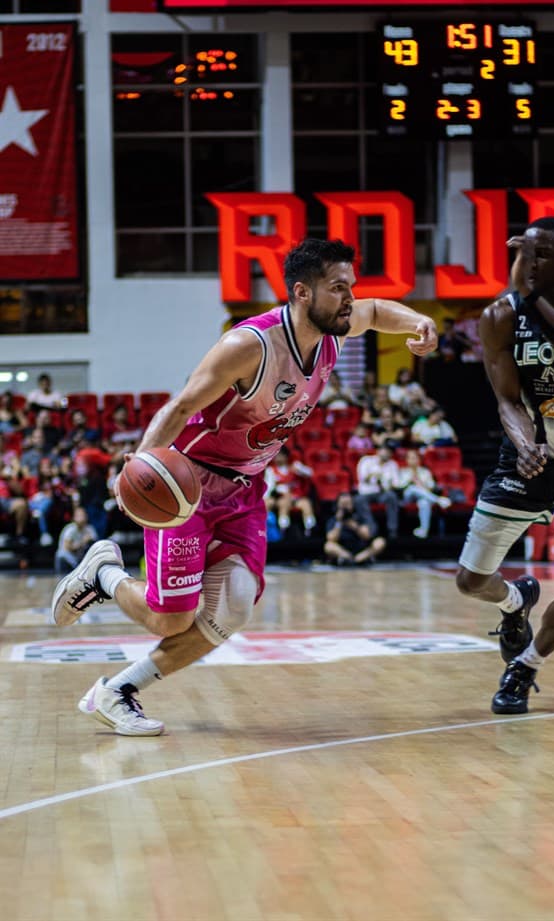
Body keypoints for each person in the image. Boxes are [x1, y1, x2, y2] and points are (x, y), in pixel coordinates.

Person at [50, 237, 437, 735]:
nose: (350, 298)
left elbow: (379, 310)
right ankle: (104, 575)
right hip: (188, 486)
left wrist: (418, 323)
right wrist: (139, 465)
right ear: (301, 293)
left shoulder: (334, 333)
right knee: (172, 620)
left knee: (232, 607)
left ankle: (117, 690)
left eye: (351, 288)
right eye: (339, 288)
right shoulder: (248, 347)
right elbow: (181, 406)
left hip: (245, 488)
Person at [455, 216, 554, 715]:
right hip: (527, 460)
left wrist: (528, 298)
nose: (532, 262)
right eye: (527, 252)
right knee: (469, 581)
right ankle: (513, 603)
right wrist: (524, 443)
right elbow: (506, 400)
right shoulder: (499, 315)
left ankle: (525, 666)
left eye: (543, 253)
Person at [263, 445, 317, 536]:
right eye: (275, 456)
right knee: (284, 504)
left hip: (296, 498)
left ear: (286, 456)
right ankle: (284, 529)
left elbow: (310, 473)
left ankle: (310, 530)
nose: (278, 458)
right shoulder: (271, 470)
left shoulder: (295, 467)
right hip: (281, 498)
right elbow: (269, 488)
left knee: (306, 504)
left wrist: (300, 470)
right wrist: (277, 492)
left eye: (280, 455)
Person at [398, 448, 452, 538]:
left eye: (415, 458)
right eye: (410, 458)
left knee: (424, 502)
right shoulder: (403, 472)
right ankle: (439, 500)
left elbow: (431, 487)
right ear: (406, 460)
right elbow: (398, 487)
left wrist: (421, 484)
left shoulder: (425, 472)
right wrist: (410, 480)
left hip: (423, 496)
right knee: (412, 488)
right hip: (407, 498)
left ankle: (424, 530)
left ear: (419, 459)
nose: (413, 460)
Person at [324, 491, 386, 565]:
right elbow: (331, 539)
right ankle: (349, 558)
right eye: (343, 504)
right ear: (338, 505)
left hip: (362, 550)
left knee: (380, 542)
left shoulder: (360, 517)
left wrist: (355, 527)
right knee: (328, 546)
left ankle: (360, 558)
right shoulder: (334, 520)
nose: (345, 507)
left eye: (348, 504)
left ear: (353, 504)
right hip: (344, 550)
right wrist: (339, 522)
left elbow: (367, 536)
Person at [355, 443, 401, 539]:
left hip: (382, 493)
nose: (387, 453)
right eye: (385, 450)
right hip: (366, 492)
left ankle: (392, 530)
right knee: (359, 500)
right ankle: (371, 527)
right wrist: (374, 475)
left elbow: (396, 484)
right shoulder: (366, 460)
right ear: (378, 451)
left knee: (392, 496)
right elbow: (362, 478)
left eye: (390, 451)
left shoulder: (393, 464)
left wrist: (387, 484)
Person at [55, 506, 98, 573]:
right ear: (74, 517)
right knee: (61, 555)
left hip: (82, 559)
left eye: (83, 515)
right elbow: (67, 547)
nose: (81, 517)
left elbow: (95, 545)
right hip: (69, 558)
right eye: (79, 515)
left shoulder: (90, 529)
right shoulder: (70, 529)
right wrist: (82, 542)